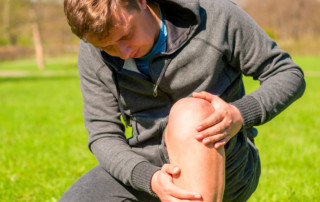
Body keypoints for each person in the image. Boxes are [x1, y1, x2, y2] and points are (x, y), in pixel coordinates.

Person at [60, 0, 305, 201]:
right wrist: (150, 179)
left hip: (224, 159)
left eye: (126, 35)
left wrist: (239, 114)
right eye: (108, 47)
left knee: (191, 113)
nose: (123, 52)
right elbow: (104, 135)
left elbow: (287, 74)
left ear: (142, 2)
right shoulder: (93, 54)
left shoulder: (216, 16)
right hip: (150, 170)